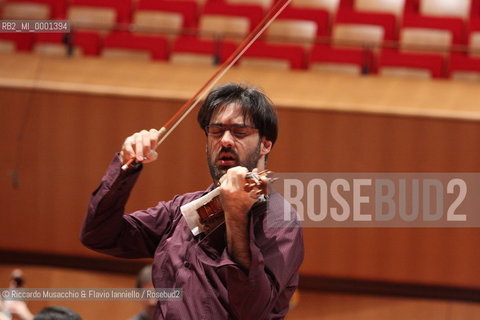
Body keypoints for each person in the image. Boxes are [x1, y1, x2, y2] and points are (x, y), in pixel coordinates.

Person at [80, 83, 304, 319]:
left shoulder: (280, 219)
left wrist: (237, 217)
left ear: (265, 145)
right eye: (216, 132)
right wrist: (125, 167)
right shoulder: (181, 209)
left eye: (239, 132)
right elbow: (99, 235)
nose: (225, 141)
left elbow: (252, 308)